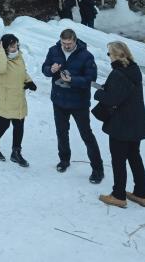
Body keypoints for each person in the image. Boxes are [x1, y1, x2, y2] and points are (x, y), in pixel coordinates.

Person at [42, 28, 104, 183]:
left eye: (69, 43)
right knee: (61, 132)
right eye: (64, 43)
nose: (66, 46)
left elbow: (91, 78)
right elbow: (45, 69)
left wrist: (73, 80)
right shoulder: (54, 50)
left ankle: (98, 169)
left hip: (79, 102)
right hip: (59, 100)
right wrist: (51, 69)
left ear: (75, 41)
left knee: (86, 135)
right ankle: (64, 160)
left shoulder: (86, 56)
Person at [94, 41, 145, 209]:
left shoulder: (117, 74)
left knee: (118, 160)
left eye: (109, 54)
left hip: (121, 124)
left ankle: (118, 195)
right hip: (137, 121)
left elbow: (112, 99)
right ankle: (140, 193)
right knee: (134, 157)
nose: (108, 57)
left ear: (116, 55)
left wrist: (98, 92)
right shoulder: (134, 69)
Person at [0, 34, 37, 167]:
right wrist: (0, 50)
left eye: (16, 46)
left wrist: (29, 81)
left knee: (19, 124)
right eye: (11, 46)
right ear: (4, 47)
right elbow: (1, 69)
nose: (15, 49)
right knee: (4, 124)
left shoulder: (18, 56)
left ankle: (16, 152)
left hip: (17, 97)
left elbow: (22, 71)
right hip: (3, 97)